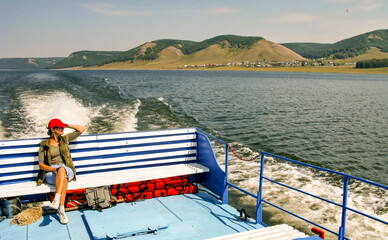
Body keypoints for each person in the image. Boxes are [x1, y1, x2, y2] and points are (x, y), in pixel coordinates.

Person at [36, 118, 86, 224]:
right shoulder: (44, 145)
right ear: (53, 129)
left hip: (68, 169)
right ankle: (61, 211)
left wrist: (66, 124)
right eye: (60, 127)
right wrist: (54, 169)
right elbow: (41, 165)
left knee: (62, 170)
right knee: (62, 179)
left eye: (63, 126)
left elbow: (81, 129)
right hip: (51, 172)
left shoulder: (65, 139)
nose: (62, 128)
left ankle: (56, 200)